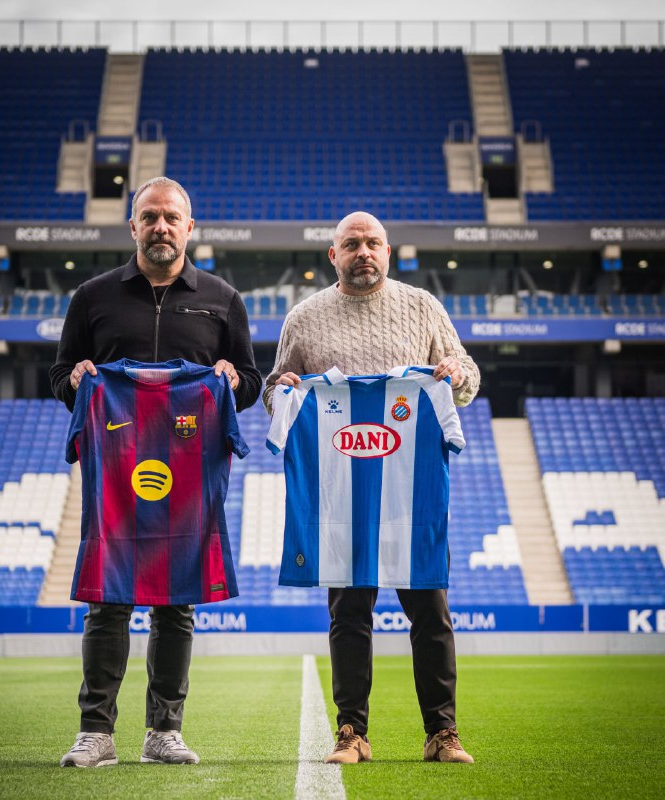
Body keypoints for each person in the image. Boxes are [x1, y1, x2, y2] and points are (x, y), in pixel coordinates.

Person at [50, 176, 261, 768]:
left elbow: (250, 383)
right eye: (150, 217)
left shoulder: (222, 298)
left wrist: (231, 379)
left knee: (176, 605)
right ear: (133, 226)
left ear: (190, 227)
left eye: (171, 217)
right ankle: (96, 732)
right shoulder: (92, 297)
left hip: (189, 476)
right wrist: (76, 380)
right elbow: (60, 375)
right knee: (107, 601)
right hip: (117, 472)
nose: (161, 227)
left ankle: (163, 731)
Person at [263, 211, 480, 765]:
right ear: (332, 255)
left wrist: (456, 373)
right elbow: (274, 393)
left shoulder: (422, 306)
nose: (364, 252)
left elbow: (468, 378)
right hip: (343, 495)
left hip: (410, 490)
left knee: (430, 612)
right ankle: (352, 732)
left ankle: (442, 732)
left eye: (373, 243)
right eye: (352, 243)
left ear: (388, 251)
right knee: (349, 615)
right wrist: (280, 388)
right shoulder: (304, 317)